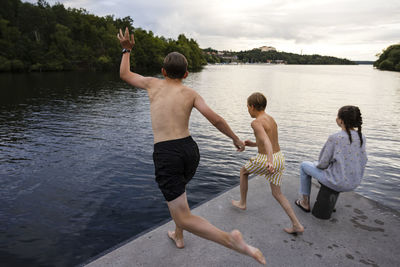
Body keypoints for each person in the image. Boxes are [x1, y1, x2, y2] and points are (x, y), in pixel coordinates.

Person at [117, 28, 266, 265]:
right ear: (186, 74)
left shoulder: (152, 84)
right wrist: (236, 139)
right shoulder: (191, 93)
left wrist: (127, 49)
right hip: (190, 151)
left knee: (183, 215)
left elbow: (125, 74)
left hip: (167, 153)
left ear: (163, 71)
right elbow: (215, 119)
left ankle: (230, 240)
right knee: (180, 196)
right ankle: (178, 236)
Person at [232, 92, 304, 234]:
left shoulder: (256, 122)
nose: (247, 110)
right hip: (279, 157)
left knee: (243, 171)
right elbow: (267, 141)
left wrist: (269, 162)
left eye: (247, 107)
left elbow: (266, 141)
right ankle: (297, 224)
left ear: (252, 107)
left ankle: (242, 203)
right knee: (278, 194)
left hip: (268, 159)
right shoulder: (270, 119)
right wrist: (252, 143)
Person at [295, 105, 367, 212]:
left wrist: (316, 164)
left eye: (337, 116)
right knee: (333, 169)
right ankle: (328, 201)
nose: (336, 118)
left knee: (304, 166)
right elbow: (363, 160)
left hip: (337, 182)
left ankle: (304, 203)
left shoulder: (335, 138)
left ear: (341, 121)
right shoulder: (362, 137)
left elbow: (323, 164)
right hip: (354, 182)